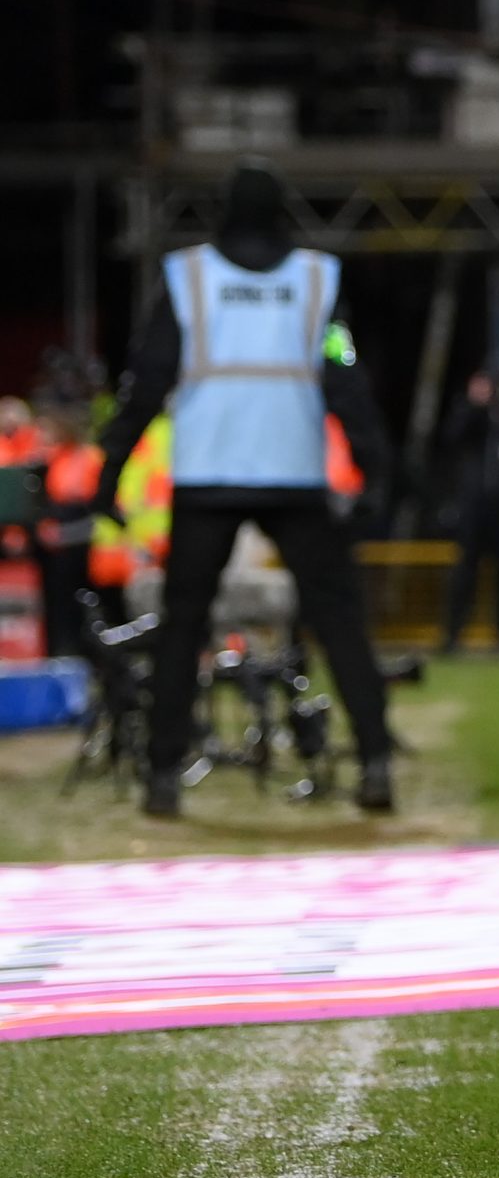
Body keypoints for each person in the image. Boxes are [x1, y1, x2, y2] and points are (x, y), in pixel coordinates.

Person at [91, 162, 400, 816]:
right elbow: (345, 378)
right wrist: (376, 469)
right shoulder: (316, 280)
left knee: (184, 629)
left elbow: (145, 381)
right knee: (340, 621)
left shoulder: (189, 277)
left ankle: (163, 775)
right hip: (293, 472)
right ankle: (375, 761)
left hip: (209, 473)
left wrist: (109, 471)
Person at [437, 369, 499, 653]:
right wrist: (473, 404)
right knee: (465, 572)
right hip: (474, 509)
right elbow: (450, 437)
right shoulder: (473, 417)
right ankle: (452, 635)